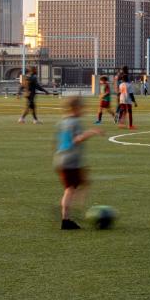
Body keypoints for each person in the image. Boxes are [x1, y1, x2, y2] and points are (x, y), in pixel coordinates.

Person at [54, 96, 102, 230]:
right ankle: (66, 218)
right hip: (71, 161)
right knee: (70, 189)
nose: (83, 110)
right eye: (82, 108)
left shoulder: (62, 122)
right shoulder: (75, 122)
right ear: (75, 108)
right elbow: (77, 139)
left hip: (62, 160)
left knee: (83, 183)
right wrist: (92, 132)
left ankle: (73, 211)